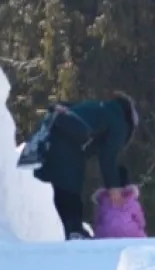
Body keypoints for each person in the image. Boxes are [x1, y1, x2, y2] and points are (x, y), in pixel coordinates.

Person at [33, 94, 139, 240]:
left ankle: (70, 229)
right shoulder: (119, 122)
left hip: (51, 138)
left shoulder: (98, 107)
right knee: (71, 185)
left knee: (61, 187)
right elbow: (108, 156)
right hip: (67, 143)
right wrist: (113, 186)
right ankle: (74, 229)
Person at [90, 166, 147, 240]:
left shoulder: (131, 203)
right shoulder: (104, 204)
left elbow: (141, 222)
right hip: (118, 235)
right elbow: (141, 221)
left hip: (118, 235)